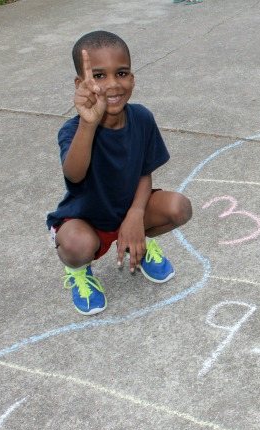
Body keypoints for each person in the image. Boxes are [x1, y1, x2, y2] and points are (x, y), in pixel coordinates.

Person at [46, 30, 192, 316]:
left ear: (133, 77)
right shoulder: (73, 130)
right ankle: (78, 272)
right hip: (86, 220)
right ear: (81, 84)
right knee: (77, 245)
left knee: (179, 207)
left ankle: (135, 241)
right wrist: (89, 124)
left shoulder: (142, 118)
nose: (113, 84)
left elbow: (144, 171)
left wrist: (136, 215)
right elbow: (74, 175)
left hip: (128, 210)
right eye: (98, 76)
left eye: (121, 73)